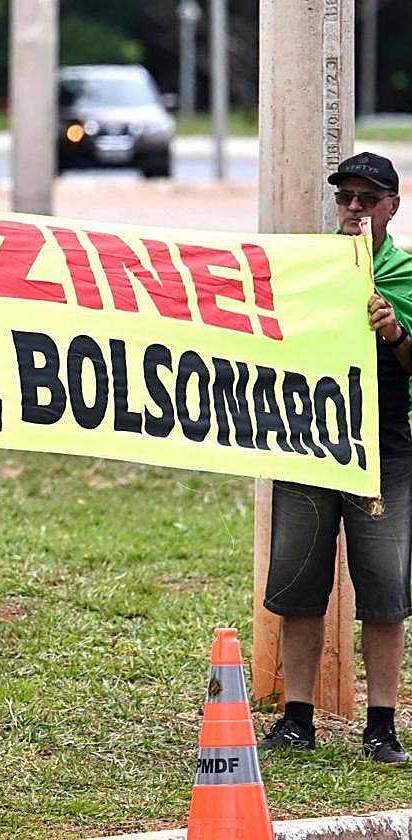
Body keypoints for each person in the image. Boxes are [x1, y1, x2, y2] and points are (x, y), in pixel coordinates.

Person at [260, 152, 412, 763]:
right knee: (298, 583)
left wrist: (395, 332)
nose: (353, 210)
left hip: (382, 447)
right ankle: (296, 717)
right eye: (345, 198)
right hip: (309, 439)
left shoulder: (405, 275)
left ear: (392, 208)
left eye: (367, 200)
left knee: (384, 590)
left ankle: (382, 724)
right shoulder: (309, 267)